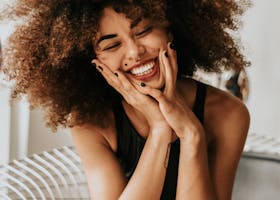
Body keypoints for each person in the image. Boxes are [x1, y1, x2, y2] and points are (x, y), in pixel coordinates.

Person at [0, 0, 251, 199]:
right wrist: (161, 129)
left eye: (143, 31)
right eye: (111, 46)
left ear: (169, 28)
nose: (135, 52)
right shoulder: (92, 124)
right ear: (93, 62)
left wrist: (191, 133)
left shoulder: (228, 113)